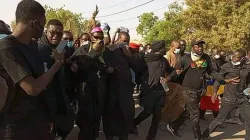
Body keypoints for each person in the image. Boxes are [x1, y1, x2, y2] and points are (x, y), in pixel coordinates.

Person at [0, 0, 64, 139]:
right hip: (16, 128)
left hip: (39, 123)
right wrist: (57, 64)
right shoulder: (7, 48)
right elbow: (32, 88)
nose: (43, 31)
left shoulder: (33, 46)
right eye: (43, 26)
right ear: (35, 24)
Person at [171, 39, 216, 140]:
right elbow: (176, 71)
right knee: (195, 114)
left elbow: (210, 72)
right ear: (192, 47)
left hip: (200, 89)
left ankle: (173, 125)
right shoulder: (185, 58)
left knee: (190, 111)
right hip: (188, 89)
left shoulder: (206, 57)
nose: (200, 48)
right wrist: (168, 78)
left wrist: (221, 78)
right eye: (197, 46)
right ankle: (198, 137)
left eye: (201, 46)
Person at [73, 27, 114, 140]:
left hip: (101, 92)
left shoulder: (107, 52)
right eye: (96, 37)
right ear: (91, 37)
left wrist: (110, 68)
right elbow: (80, 66)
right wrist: (93, 52)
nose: (99, 40)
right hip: (86, 93)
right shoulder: (83, 50)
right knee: (86, 124)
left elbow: (112, 66)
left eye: (101, 37)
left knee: (96, 123)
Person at [37, 19, 75, 139]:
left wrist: (70, 63)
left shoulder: (62, 45)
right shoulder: (39, 48)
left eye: (59, 33)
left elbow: (70, 56)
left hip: (62, 91)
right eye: (52, 32)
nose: (55, 36)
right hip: (45, 97)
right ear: (46, 32)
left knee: (66, 124)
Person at [203, 49, 250, 140]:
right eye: (233, 56)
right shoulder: (226, 66)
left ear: (243, 58)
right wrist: (214, 93)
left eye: (237, 57)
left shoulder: (247, 68)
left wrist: (248, 89)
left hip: (242, 98)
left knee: (249, 120)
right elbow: (218, 80)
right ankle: (204, 135)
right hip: (229, 99)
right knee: (220, 120)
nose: (234, 58)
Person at [131, 40, 174, 140]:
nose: (165, 49)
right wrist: (139, 82)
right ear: (159, 49)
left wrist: (168, 78)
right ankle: (133, 123)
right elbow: (137, 70)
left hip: (160, 91)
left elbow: (171, 71)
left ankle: (150, 137)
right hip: (149, 90)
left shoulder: (164, 60)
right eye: (164, 47)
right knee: (147, 112)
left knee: (157, 115)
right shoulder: (146, 59)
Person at [102, 32, 135, 140]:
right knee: (110, 117)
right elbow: (103, 66)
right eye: (124, 41)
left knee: (125, 117)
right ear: (118, 39)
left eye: (127, 41)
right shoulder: (109, 50)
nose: (125, 44)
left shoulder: (129, 52)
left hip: (125, 91)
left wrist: (130, 56)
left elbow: (136, 67)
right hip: (111, 90)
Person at [199, 48, 225, 120]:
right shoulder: (207, 60)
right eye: (216, 53)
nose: (218, 54)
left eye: (218, 53)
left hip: (214, 83)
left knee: (209, 100)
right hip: (208, 83)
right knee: (211, 100)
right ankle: (217, 119)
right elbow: (202, 71)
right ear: (212, 53)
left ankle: (201, 115)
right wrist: (210, 77)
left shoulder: (218, 61)